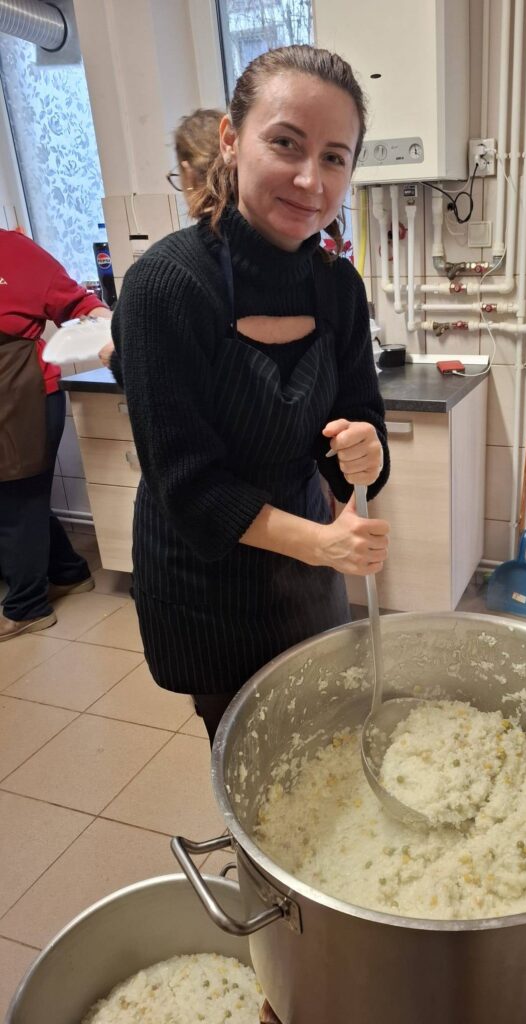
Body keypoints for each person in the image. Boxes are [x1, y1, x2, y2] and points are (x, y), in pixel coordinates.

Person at [111, 44, 390, 746]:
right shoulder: (166, 286)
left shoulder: (337, 286)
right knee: (249, 753)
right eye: (285, 143)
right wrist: (321, 544)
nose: (310, 179)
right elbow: (188, 484)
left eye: (334, 157)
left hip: (308, 571)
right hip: (205, 582)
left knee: (321, 738)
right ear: (232, 140)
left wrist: (365, 452)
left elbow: (358, 420)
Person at [0, 230, 111, 641]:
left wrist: (116, 334)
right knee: (17, 497)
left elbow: (80, 304)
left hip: (20, 391)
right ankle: (69, 572)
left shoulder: (13, 249)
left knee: (17, 500)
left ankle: (27, 607)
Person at [98, 108, 224, 370]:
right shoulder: (279, 250)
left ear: (188, 174)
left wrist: (117, 360)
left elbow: (156, 377)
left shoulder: (158, 274)